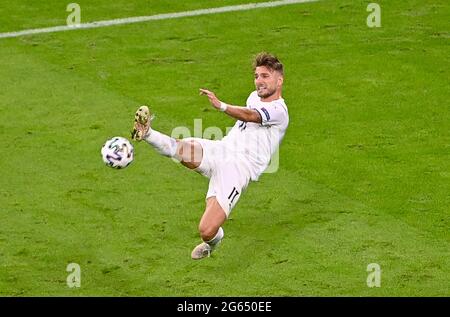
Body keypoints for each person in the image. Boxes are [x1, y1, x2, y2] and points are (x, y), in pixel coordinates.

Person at [131, 52, 289, 260]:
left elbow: (252, 116)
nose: (259, 81)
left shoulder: (280, 111)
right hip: (222, 149)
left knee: (206, 231)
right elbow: (248, 111)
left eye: (265, 76)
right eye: (256, 76)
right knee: (180, 149)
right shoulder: (254, 96)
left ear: (279, 80)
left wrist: (221, 106)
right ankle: (147, 132)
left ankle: (215, 240)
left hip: (238, 169)